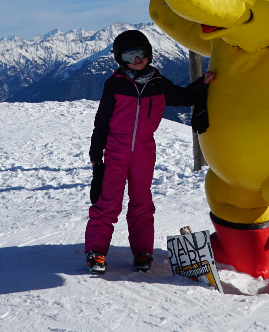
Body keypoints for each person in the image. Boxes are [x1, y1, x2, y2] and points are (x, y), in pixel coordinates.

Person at [84, 29, 215, 274]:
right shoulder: (115, 84)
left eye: (141, 53)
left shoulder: (159, 83)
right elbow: (101, 120)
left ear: (149, 53)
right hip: (115, 148)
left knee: (142, 202)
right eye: (129, 56)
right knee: (108, 201)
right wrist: (96, 154)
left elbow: (184, 97)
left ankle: (142, 252)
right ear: (120, 59)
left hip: (144, 150)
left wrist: (203, 84)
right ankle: (96, 251)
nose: (136, 60)